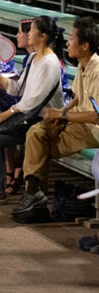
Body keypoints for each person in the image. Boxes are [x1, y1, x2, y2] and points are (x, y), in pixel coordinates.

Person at [12, 16, 99, 223]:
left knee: (38, 145)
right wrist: (61, 112)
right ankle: (34, 196)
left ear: (85, 45)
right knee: (36, 131)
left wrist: (62, 115)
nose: (67, 42)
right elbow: (77, 98)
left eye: (72, 38)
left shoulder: (97, 70)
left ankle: (35, 198)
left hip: (91, 128)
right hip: (77, 122)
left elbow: (96, 115)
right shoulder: (83, 65)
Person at [0, 17, 66, 205]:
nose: (28, 34)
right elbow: (18, 89)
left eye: (32, 30)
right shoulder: (32, 58)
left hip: (43, 119)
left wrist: (7, 113)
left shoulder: (50, 62)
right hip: (29, 115)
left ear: (43, 36)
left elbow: (35, 100)